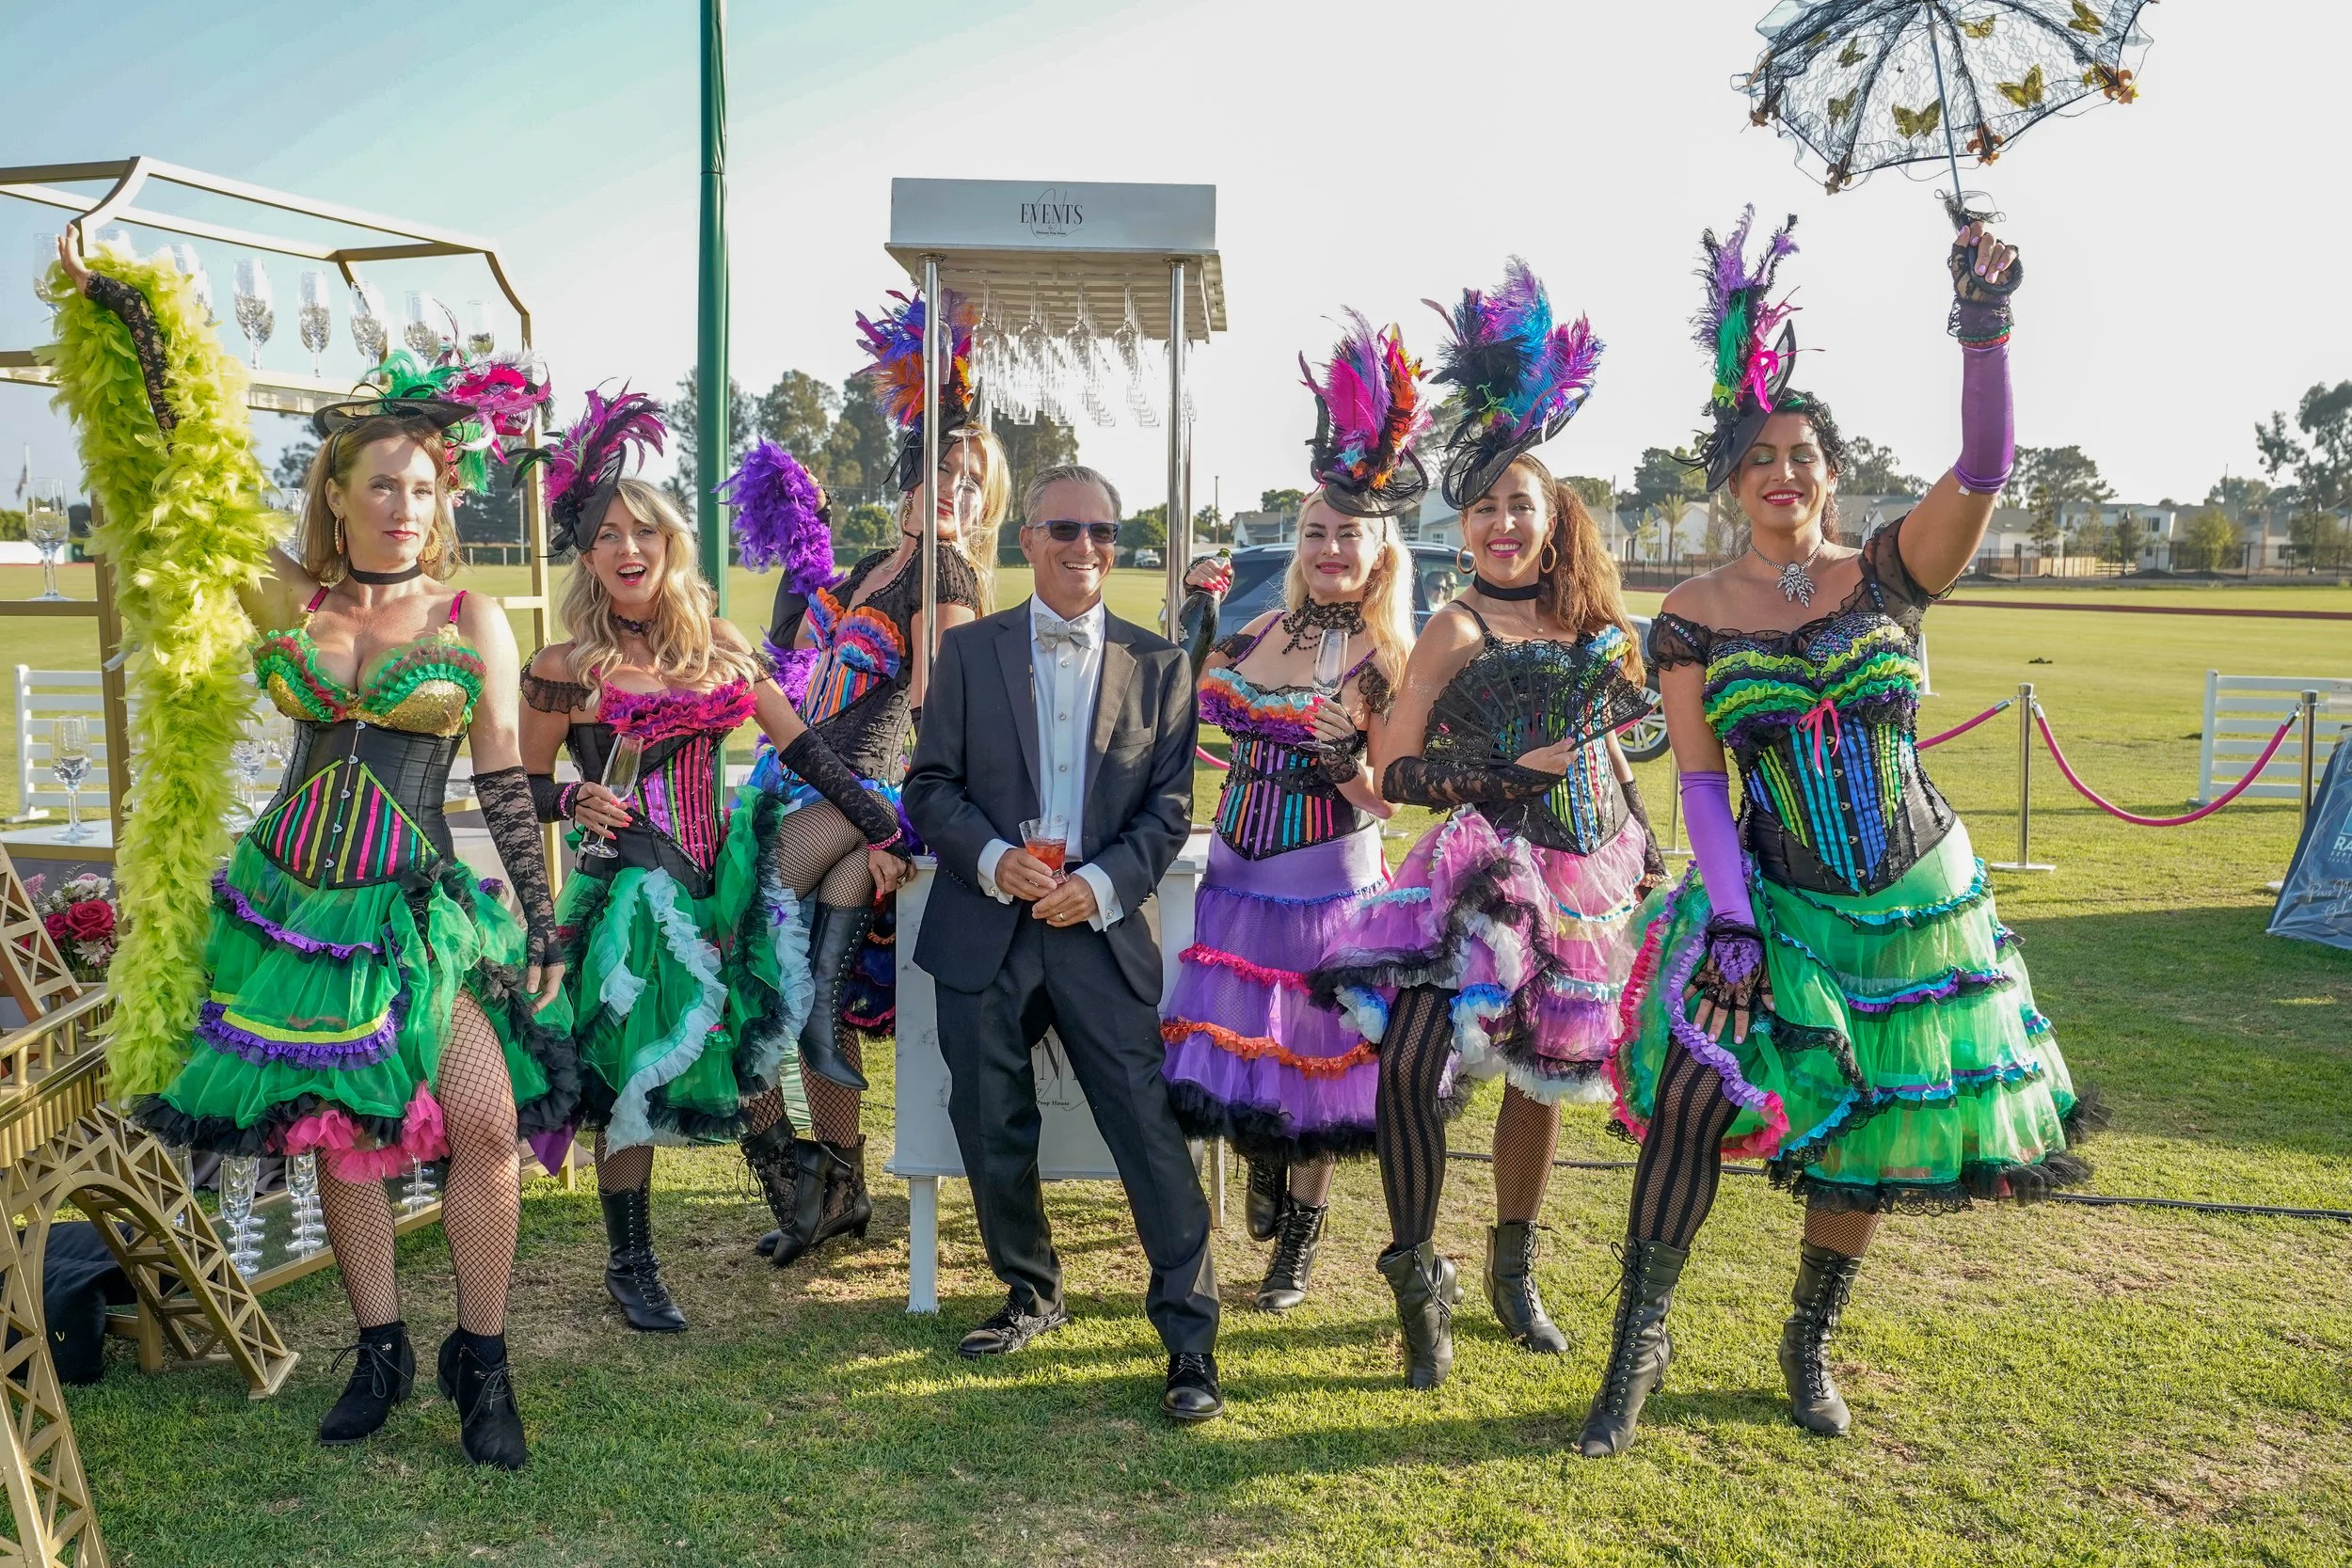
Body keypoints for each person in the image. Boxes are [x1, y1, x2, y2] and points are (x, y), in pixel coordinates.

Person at [53, 229, 576, 1469]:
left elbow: (502, 766)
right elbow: (190, 459)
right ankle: (380, 1345)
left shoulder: (469, 615)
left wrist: (543, 914)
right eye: (381, 485)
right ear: (336, 493)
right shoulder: (290, 597)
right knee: (340, 1132)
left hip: (408, 910)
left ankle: (481, 1361)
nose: (405, 508)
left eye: (425, 488)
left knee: (485, 1119)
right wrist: (130, 308)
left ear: (448, 499)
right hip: (292, 906)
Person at [1581, 209, 2094, 1457]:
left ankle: (1808, 1339)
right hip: (1777, 899)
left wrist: (1984, 322)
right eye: (1760, 454)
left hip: (1918, 897)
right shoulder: (1695, 612)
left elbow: (1983, 467)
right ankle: (1639, 1338)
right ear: (1732, 480)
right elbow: (1703, 788)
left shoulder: (1894, 571)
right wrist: (1741, 922)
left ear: (1828, 468)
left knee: (1875, 1132)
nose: (1784, 471)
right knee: (1699, 1100)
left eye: (1803, 452)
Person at [1307, 262, 1666, 1389]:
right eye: (1483, 506)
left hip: (1589, 865)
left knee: (1543, 1072)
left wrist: (1634, 744)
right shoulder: (1457, 625)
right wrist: (1510, 762)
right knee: (1416, 1063)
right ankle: (1420, 1276)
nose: (1504, 522)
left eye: (1522, 501)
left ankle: (1514, 1267)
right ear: (1460, 525)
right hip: (1482, 866)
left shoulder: (1594, 616)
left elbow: (1637, 724)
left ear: (1553, 511)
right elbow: (1395, 764)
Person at [517, 391, 910, 1331]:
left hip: (719, 869)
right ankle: (634, 1260)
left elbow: (807, 751)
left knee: (743, 1034)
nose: (627, 548)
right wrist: (572, 797)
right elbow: (516, 785)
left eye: (643, 530)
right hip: (627, 892)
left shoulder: (720, 649)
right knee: (634, 1074)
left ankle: (801, 1182)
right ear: (588, 554)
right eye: (608, 534)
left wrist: (885, 828)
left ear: (670, 544)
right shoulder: (564, 664)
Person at [902, 463, 1224, 1423]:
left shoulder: (1162, 667)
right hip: (986, 923)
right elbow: (928, 788)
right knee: (991, 1121)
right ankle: (1030, 1289)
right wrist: (995, 857)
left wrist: (1099, 884)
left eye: (1102, 533)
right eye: (1065, 529)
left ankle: (1189, 1337)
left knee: (1145, 1127)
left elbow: (1170, 810)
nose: (1085, 548)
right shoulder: (969, 654)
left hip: (1097, 927)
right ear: (1028, 538)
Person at [732, 290, 1005, 1269]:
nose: (955, 493)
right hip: (801, 789)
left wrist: (912, 831)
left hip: (869, 805)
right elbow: (785, 684)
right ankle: (830, 1186)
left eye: (973, 484)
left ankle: (803, 1172)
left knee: (736, 955)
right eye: (942, 469)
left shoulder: (948, 577)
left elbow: (949, 712)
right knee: (820, 999)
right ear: (907, 465)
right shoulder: (855, 575)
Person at [1160, 313, 1419, 1312]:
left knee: (1317, 1078)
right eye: (1314, 531)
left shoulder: (1392, 656)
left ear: (1377, 547)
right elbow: (1178, 703)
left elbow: (1391, 793)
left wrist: (1345, 760)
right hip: (1234, 878)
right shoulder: (1260, 628)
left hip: (1326, 889)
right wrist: (1193, 621)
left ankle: (1297, 1251)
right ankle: (1263, 1169)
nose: (1328, 547)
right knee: (1240, 1070)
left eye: (1347, 533)